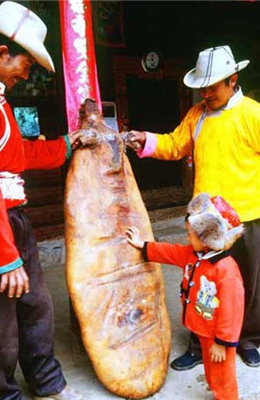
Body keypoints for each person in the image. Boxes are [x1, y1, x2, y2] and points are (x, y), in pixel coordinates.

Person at [0, 2, 84, 400]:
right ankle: (1, 395)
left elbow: (18, 156)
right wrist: (2, 257)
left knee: (35, 305)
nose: (26, 76)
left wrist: (65, 146)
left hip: (13, 218)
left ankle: (45, 380)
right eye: (25, 66)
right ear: (0, 55)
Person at [130, 45, 260, 370]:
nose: (206, 92)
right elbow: (175, 144)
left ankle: (246, 338)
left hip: (247, 216)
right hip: (205, 221)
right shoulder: (197, 115)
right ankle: (198, 343)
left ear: (233, 80)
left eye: (212, 86)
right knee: (200, 284)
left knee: (248, 283)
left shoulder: (253, 114)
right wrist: (144, 139)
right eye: (203, 86)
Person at [126, 193, 245, 400]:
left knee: (223, 375)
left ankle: (227, 397)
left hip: (216, 334)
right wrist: (143, 245)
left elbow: (232, 312)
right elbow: (170, 252)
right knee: (211, 370)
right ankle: (217, 392)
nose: (187, 238)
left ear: (207, 239)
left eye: (190, 234)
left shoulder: (226, 271)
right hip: (203, 329)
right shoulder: (194, 255)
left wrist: (222, 342)